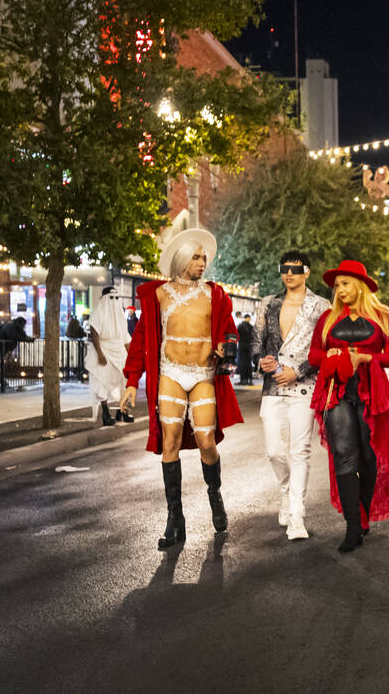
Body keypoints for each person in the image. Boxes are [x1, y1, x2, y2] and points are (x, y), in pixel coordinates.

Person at [120, 229, 243, 550]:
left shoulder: (216, 295)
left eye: (205, 258)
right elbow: (140, 341)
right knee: (169, 443)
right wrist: (132, 382)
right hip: (170, 374)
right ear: (181, 258)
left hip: (203, 375)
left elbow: (229, 332)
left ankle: (214, 494)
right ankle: (175, 520)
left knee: (206, 440)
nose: (203, 263)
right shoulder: (157, 295)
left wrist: (224, 347)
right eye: (197, 257)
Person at [308, 259, 389, 553]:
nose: (339, 290)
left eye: (345, 283)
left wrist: (366, 359)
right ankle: (353, 527)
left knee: (369, 457)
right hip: (336, 390)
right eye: (337, 285)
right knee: (344, 455)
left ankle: (363, 516)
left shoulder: (382, 317)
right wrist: (333, 357)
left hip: (371, 390)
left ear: (360, 285)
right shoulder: (328, 318)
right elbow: (314, 354)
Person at [253, 251, 330, 541]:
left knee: (300, 452)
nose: (289, 274)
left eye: (296, 270)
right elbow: (257, 342)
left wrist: (298, 371)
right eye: (285, 269)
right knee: (274, 450)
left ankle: (297, 515)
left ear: (306, 272)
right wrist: (261, 361)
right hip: (273, 387)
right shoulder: (268, 304)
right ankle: (285, 491)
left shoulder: (321, 305)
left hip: (305, 387)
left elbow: (324, 346)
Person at [85, 287, 132, 426]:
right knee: (102, 382)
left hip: (119, 351)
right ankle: (105, 412)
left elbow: (125, 337)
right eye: (111, 298)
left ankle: (122, 410)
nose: (114, 301)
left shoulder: (120, 315)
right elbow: (94, 333)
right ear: (105, 299)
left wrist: (131, 356)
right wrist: (99, 353)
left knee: (124, 381)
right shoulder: (99, 313)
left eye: (116, 298)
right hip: (104, 350)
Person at [0, 316, 34, 395]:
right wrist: (26, 339)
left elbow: (22, 335)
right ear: (20, 323)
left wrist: (28, 339)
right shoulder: (10, 326)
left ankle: (1, 384)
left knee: (0, 366)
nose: (23, 327)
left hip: (0, 348)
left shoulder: (15, 327)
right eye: (23, 325)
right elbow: (13, 336)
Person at [236, 313, 255, 385]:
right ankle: (249, 380)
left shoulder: (240, 326)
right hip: (249, 347)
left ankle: (243, 380)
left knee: (242, 363)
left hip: (242, 347)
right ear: (248, 318)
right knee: (248, 363)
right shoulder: (251, 327)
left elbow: (236, 336)